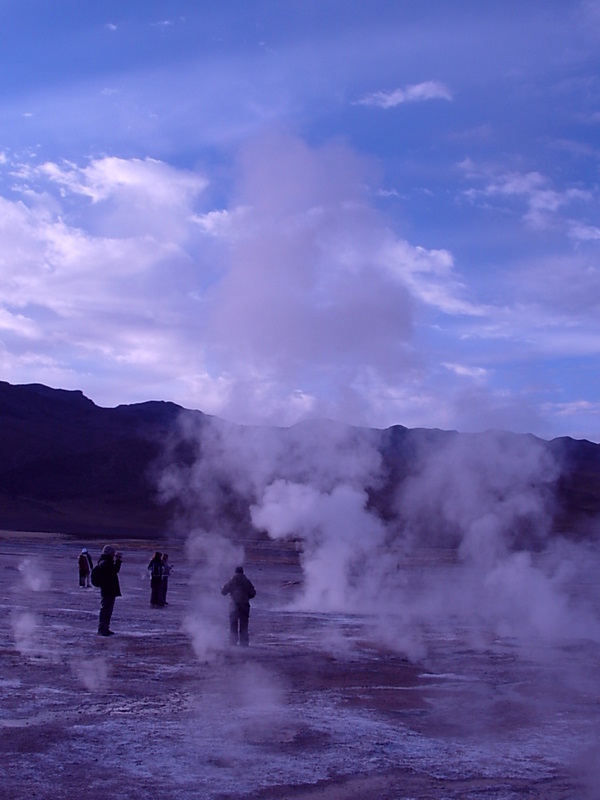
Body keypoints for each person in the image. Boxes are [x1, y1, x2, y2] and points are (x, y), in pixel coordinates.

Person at [221, 566, 256, 646]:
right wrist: (246, 597)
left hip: (234, 605)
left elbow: (224, 592)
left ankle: (233, 642)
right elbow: (253, 593)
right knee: (244, 625)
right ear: (242, 572)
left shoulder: (232, 580)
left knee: (233, 624)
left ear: (235, 572)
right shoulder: (247, 581)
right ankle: (244, 643)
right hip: (245, 606)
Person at [94, 545, 122, 636]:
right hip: (107, 590)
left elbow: (114, 571)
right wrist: (117, 561)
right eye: (113, 553)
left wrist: (117, 561)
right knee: (106, 609)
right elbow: (113, 571)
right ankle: (102, 628)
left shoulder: (106, 562)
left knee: (108, 610)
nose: (114, 555)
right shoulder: (105, 563)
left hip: (109, 589)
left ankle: (105, 628)